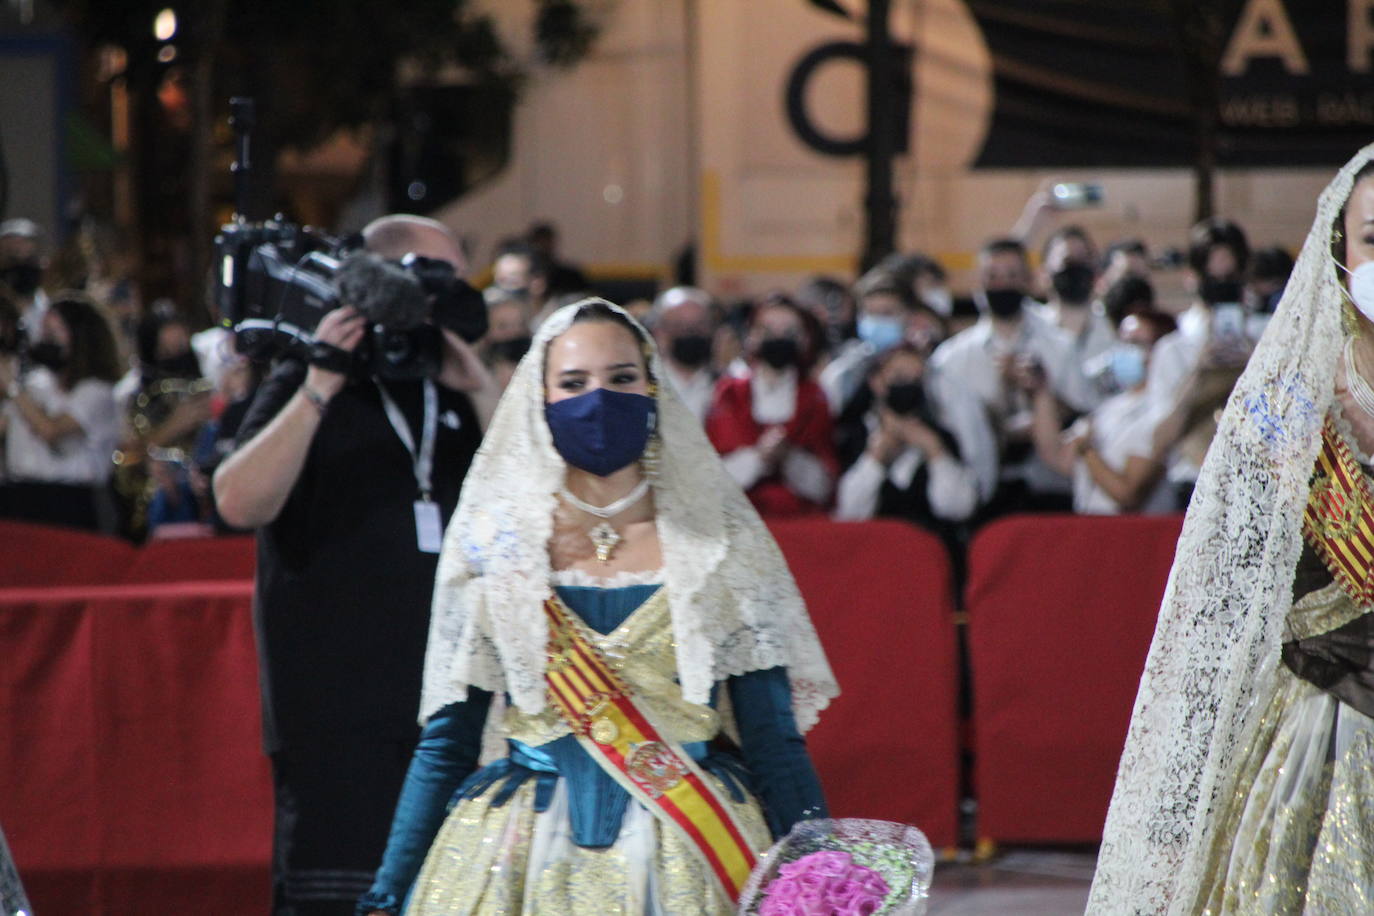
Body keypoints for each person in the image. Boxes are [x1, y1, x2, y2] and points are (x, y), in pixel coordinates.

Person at [358, 298, 836, 915]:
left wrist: (822, 876)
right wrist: (390, 889)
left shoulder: (721, 544)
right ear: (541, 399)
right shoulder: (496, 544)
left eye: (622, 379)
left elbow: (772, 739)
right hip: (517, 850)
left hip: (693, 843)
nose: (600, 399)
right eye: (575, 383)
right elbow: (448, 741)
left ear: (653, 388)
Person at [1089, 146, 1374, 913]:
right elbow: (1221, 607)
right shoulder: (1278, 415)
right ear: (1338, 253)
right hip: (1328, 732)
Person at [213, 214, 500, 915]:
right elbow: (237, 500)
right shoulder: (311, 376)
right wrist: (319, 383)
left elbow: (539, 497)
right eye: (431, 276)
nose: (446, 297)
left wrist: (482, 386)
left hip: (450, 704)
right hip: (335, 711)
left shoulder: (457, 387)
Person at [926, 237, 1093, 514]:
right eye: (993, 276)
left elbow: (1086, 410)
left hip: (1052, 485)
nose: (1003, 284)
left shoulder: (1060, 345)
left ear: (1028, 280)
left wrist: (1041, 397)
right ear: (979, 281)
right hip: (983, 490)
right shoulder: (952, 359)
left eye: (1012, 275)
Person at [1020, 310, 1176, 515]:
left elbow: (1128, 495)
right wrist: (1041, 391)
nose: (1125, 351)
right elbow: (1059, 458)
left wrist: (1088, 451)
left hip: (1136, 534)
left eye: (1137, 344)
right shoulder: (1109, 408)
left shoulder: (1163, 411)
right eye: (1123, 342)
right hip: (1093, 528)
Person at [833, 342, 991, 529]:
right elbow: (848, 513)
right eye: (900, 377)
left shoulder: (941, 437)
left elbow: (959, 509)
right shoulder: (851, 436)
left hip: (930, 548)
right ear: (876, 381)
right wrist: (875, 458)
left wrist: (935, 451)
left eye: (916, 380)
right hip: (870, 549)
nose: (908, 386)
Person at [706, 294, 838, 516]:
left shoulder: (815, 397)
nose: (778, 338)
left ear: (805, 339)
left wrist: (789, 457)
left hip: (800, 523)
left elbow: (825, 486)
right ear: (751, 336)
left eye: (789, 332)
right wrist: (759, 457)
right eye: (768, 331)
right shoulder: (729, 394)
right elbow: (712, 479)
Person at [0, 292, 121, 531]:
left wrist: (11, 387)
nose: (46, 340)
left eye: (54, 333)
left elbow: (51, 430)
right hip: (23, 496)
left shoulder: (97, 391)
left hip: (74, 501)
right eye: (44, 332)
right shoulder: (36, 384)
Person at [649, 285, 719, 421]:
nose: (690, 333)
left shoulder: (728, 386)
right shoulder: (645, 387)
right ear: (659, 332)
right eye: (679, 326)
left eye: (699, 325)